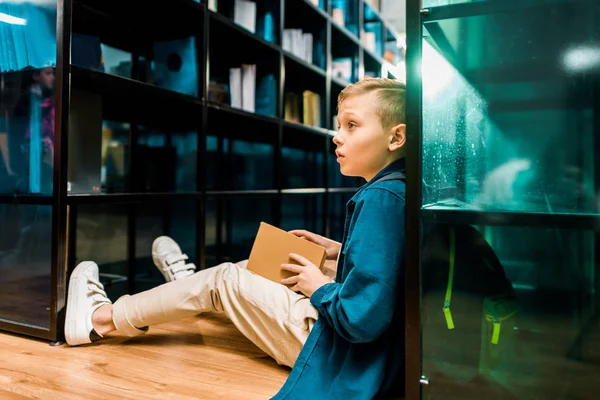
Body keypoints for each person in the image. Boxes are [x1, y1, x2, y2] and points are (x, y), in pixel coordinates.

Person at [64, 77, 407, 399]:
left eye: (351, 125)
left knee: (224, 278)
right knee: (250, 267)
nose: (337, 136)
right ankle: (190, 290)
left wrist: (317, 285)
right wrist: (339, 253)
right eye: (338, 125)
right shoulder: (396, 190)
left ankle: (99, 320)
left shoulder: (380, 198)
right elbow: (387, 276)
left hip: (343, 350)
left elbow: (361, 320)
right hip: (365, 348)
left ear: (396, 138)